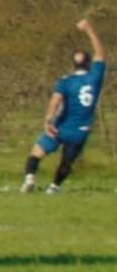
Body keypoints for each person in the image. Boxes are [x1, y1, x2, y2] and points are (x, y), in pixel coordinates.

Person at [21, 19, 106, 195]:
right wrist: (90, 30)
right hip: (81, 129)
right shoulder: (95, 78)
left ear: (73, 65)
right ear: (89, 64)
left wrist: (49, 120)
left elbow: (55, 101)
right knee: (67, 161)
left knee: (37, 151)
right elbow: (101, 54)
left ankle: (30, 178)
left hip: (60, 126)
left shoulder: (66, 82)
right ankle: (54, 187)